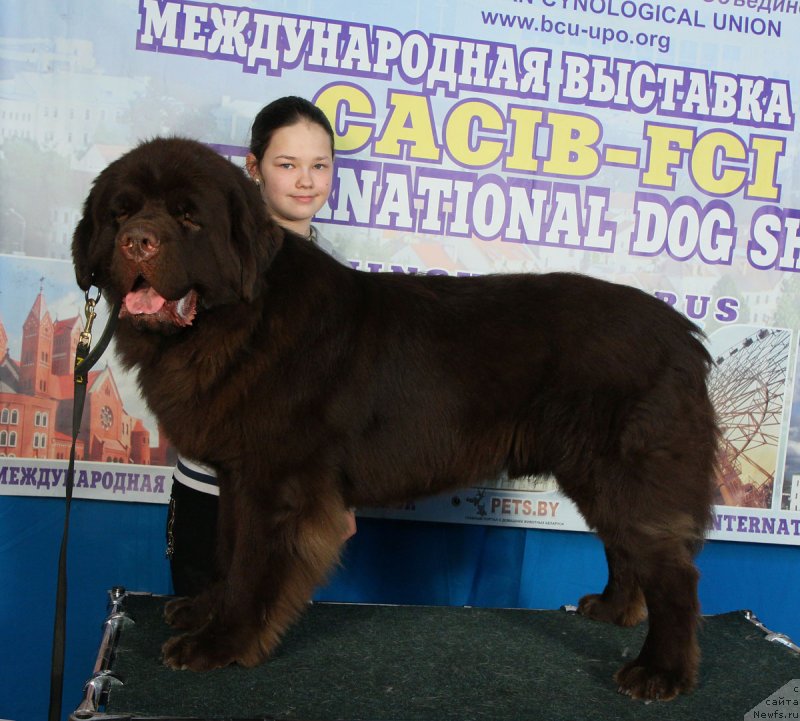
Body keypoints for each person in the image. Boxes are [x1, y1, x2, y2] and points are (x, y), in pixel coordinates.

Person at [166, 96, 356, 597]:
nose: (306, 181)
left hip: (295, 498)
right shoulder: (209, 260)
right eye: (287, 164)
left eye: (320, 166)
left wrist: (342, 495)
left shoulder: (339, 279)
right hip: (213, 490)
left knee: (264, 647)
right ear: (254, 167)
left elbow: (341, 400)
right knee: (201, 628)